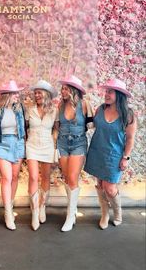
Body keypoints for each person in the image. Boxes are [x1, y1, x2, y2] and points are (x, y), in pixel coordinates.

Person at [84, 78, 137, 229]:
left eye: (110, 92)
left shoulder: (128, 115)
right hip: (97, 151)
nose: (106, 94)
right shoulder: (100, 109)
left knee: (110, 187)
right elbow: (92, 124)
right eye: (106, 91)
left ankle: (117, 211)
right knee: (100, 184)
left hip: (114, 155)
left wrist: (125, 157)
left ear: (119, 95)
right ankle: (105, 214)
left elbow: (130, 138)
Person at [0, 80, 25, 230]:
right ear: (8, 95)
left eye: (17, 93)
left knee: (15, 177)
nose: (17, 95)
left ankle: (10, 206)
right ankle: (7, 213)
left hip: (17, 143)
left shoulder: (19, 108)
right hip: (2, 144)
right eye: (14, 93)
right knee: (7, 177)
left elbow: (24, 127)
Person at [25, 80, 58, 231]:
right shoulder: (29, 109)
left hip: (47, 146)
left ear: (46, 94)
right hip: (32, 146)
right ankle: (34, 212)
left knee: (46, 177)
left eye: (39, 92)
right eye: (35, 92)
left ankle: (41, 206)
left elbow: (56, 129)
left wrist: (54, 143)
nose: (36, 95)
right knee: (33, 177)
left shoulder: (54, 110)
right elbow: (25, 128)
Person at [57, 74, 88, 232]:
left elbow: (92, 123)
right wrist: (55, 146)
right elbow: (57, 127)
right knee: (67, 178)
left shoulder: (84, 105)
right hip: (62, 143)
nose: (62, 91)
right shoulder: (60, 106)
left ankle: (70, 216)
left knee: (73, 177)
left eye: (65, 88)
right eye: (62, 88)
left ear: (73, 90)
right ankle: (73, 209)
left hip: (78, 143)